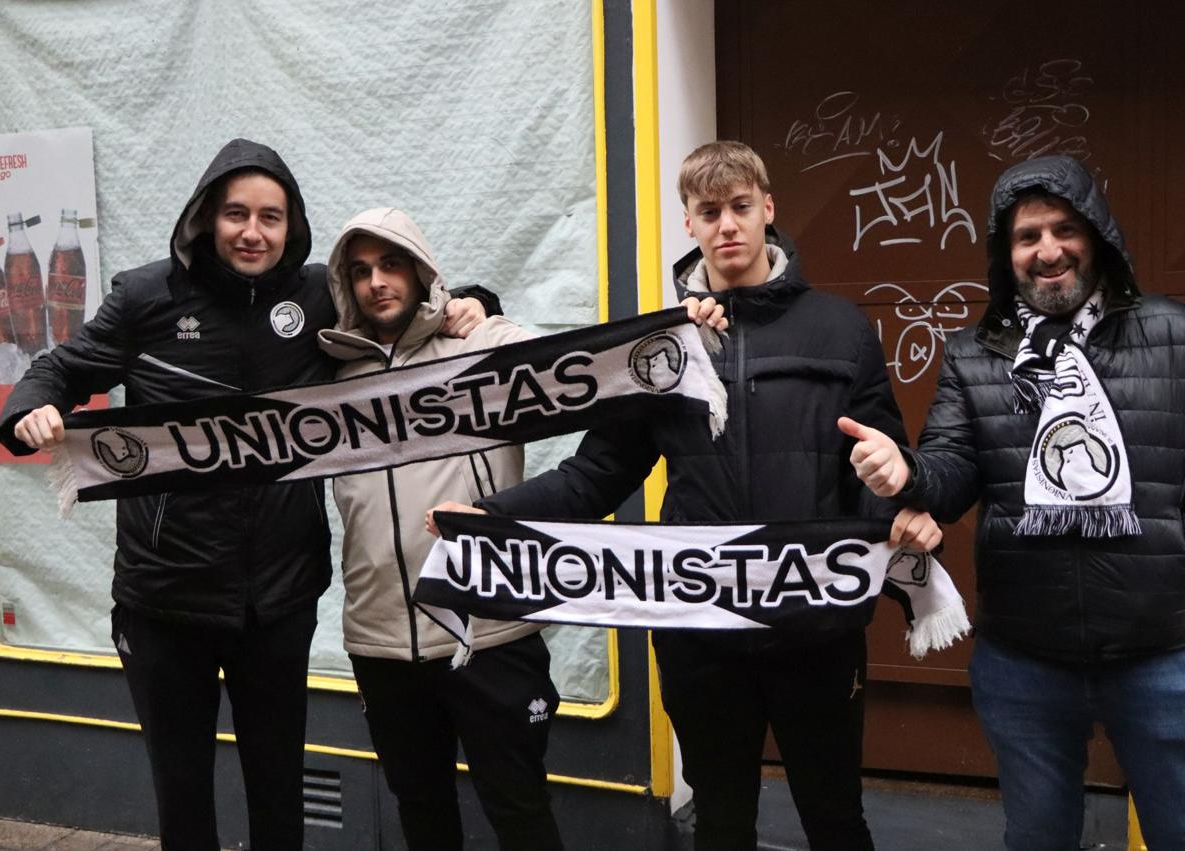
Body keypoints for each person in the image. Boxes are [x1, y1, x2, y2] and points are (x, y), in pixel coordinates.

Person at [429, 140, 940, 851]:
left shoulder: (840, 328)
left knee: (835, 814)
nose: (727, 224)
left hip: (816, 631)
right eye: (709, 211)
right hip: (702, 634)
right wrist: (490, 518)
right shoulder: (658, 349)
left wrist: (904, 507)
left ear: (767, 209)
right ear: (690, 225)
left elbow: (883, 468)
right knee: (721, 817)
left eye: (739, 207)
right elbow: (596, 475)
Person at [0, 139, 493, 850]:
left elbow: (405, 306)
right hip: (163, 599)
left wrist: (477, 303)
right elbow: (60, 367)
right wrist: (29, 411)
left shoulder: (319, 294)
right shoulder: (145, 295)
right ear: (206, 217)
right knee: (184, 798)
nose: (253, 232)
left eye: (271, 216)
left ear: (292, 227)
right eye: (236, 213)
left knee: (277, 795)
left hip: (279, 601)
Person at [839, 154, 1185, 850]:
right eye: (1028, 236)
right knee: (1036, 837)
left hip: (1162, 657)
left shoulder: (1173, 335)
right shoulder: (975, 354)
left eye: (1064, 229)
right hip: (1025, 661)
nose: (1048, 250)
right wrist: (902, 470)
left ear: (1097, 235)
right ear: (1008, 253)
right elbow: (952, 469)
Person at [316, 207, 564, 851]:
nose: (377, 282)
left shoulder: (481, 347)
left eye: (391, 264)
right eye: (361, 271)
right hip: (382, 643)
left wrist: (484, 310)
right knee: (421, 810)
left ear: (422, 272)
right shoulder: (331, 383)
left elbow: (578, 371)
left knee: (520, 807)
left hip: (492, 632)